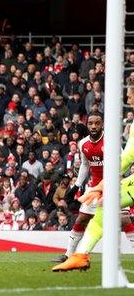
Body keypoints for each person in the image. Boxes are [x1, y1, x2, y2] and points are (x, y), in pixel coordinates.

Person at [53, 112, 134, 263]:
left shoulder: (111, 142)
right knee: (81, 219)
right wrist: (76, 186)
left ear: (102, 124)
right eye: (90, 123)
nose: (94, 126)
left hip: (114, 186)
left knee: (125, 220)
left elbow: (125, 161)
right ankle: (68, 255)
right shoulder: (83, 144)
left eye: (97, 123)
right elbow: (85, 165)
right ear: (87, 124)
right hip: (95, 189)